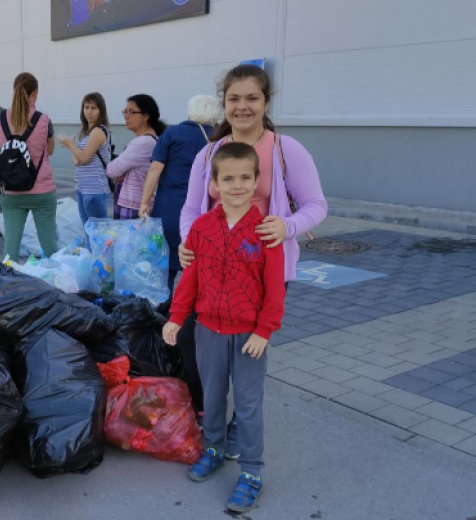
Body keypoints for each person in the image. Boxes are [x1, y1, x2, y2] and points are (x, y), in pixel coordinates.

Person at [178, 63, 327, 467]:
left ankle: (241, 431)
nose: (242, 107)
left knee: (248, 357)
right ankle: (215, 425)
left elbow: (317, 204)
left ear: (266, 101)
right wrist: (186, 243)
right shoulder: (209, 152)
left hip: (262, 269)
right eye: (234, 99)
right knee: (201, 352)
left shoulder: (285, 149)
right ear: (223, 103)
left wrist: (288, 225)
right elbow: (192, 208)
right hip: (212, 269)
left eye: (252, 98)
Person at [163, 142, 285, 513]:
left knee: (248, 406)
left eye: (245, 177)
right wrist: (176, 316)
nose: (237, 185)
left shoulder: (265, 231)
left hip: (250, 336)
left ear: (256, 181)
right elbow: (190, 279)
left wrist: (264, 330)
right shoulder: (201, 228)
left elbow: (275, 288)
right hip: (208, 331)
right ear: (214, 183)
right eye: (228, 178)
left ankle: (251, 472)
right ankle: (213, 448)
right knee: (213, 397)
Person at [139, 94, 219, 291]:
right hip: (205, 209)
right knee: (197, 264)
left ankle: (163, 309)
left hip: (169, 207)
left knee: (164, 262)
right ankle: (191, 311)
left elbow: (155, 169)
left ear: (190, 111)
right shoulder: (219, 138)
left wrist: (144, 202)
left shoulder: (172, 133)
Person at [0, 72, 57, 259]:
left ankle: (8, 283)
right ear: (35, 92)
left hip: (11, 190)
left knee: (11, 247)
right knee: (49, 245)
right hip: (42, 190)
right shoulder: (43, 119)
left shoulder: (1, 118)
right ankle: (56, 280)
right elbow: (50, 150)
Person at [106, 94, 165, 219]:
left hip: (133, 206)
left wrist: (123, 170)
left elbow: (111, 170)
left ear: (146, 116)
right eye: (125, 112)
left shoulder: (142, 143)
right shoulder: (151, 139)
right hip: (137, 204)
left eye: (131, 112)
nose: (126, 116)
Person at [58, 92, 112, 225]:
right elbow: (77, 160)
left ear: (101, 111)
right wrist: (77, 155)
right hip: (83, 188)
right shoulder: (87, 132)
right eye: (86, 107)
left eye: (94, 108)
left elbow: (84, 157)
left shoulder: (98, 131)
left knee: (98, 232)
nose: (89, 111)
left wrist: (70, 144)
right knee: (88, 230)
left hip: (94, 190)